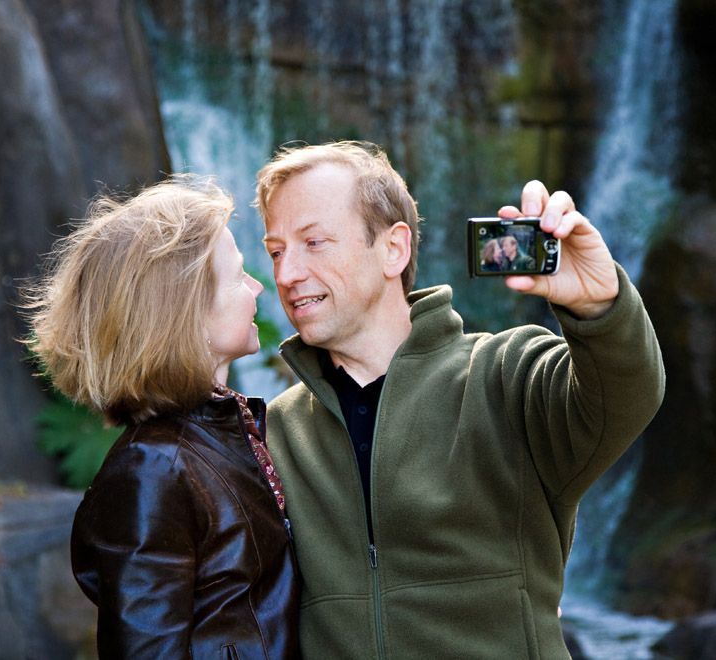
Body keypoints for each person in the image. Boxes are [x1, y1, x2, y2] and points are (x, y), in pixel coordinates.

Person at [254, 141, 664, 659]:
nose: (287, 274)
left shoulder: (506, 376)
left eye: (314, 242)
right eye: (275, 250)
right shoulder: (273, 434)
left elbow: (627, 397)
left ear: (393, 249)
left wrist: (600, 306)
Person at [23, 176, 299, 658]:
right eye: (237, 275)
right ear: (184, 308)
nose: (257, 285)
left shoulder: (224, 432)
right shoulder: (153, 468)